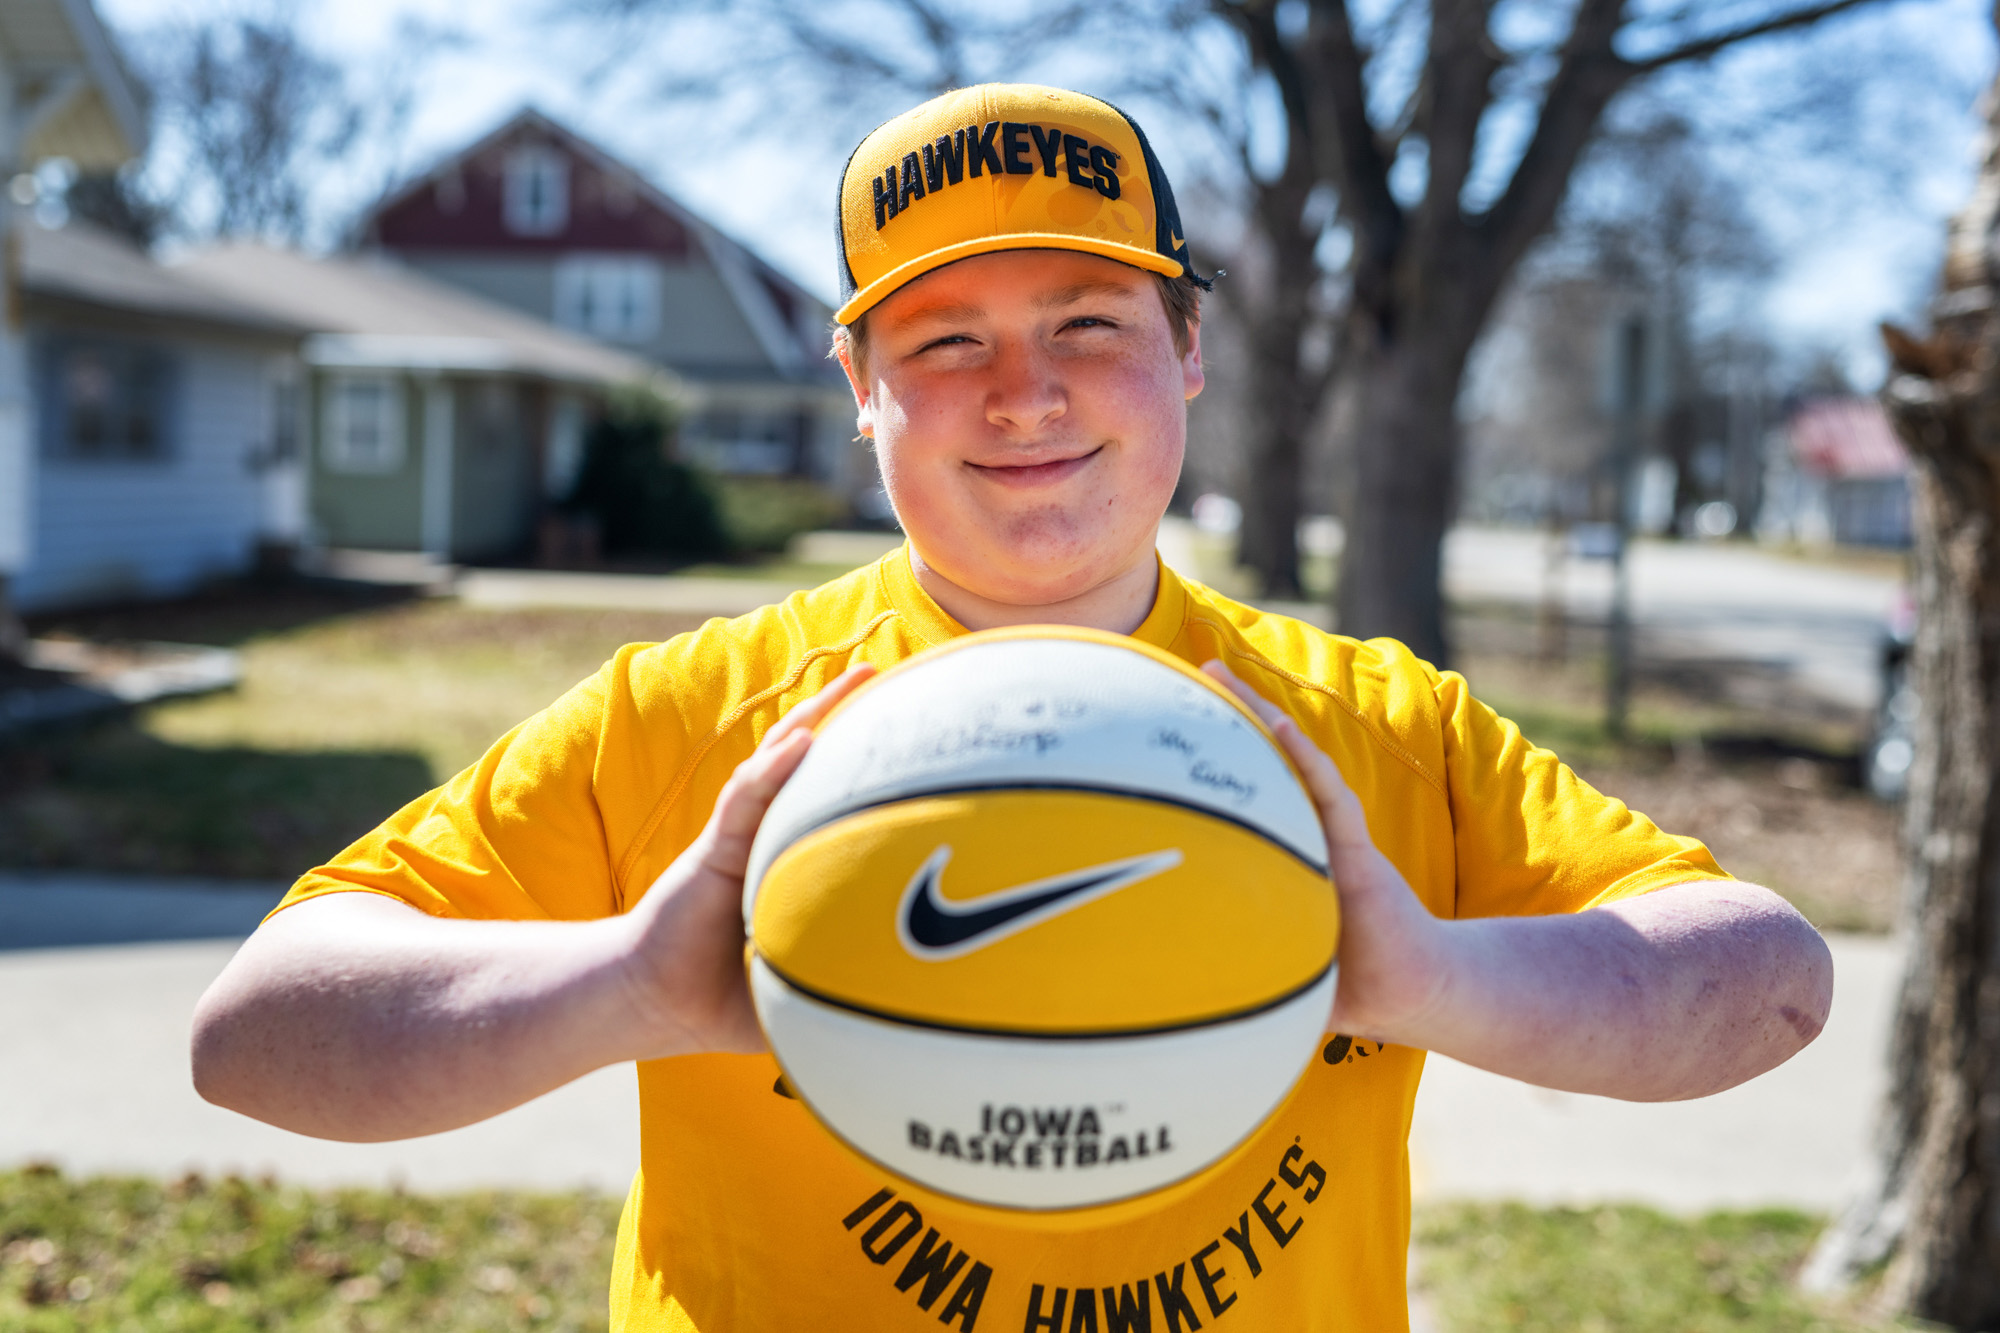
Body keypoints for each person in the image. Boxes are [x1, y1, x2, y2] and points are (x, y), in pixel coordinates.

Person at [192, 84, 1832, 1332]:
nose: (1023, 389)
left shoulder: (1374, 727)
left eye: (1089, 324)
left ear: (1189, 349)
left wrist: (1429, 970)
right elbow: (258, 1033)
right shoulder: (700, 717)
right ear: (858, 390)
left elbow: (1770, 982)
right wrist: (629, 984)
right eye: (945, 335)